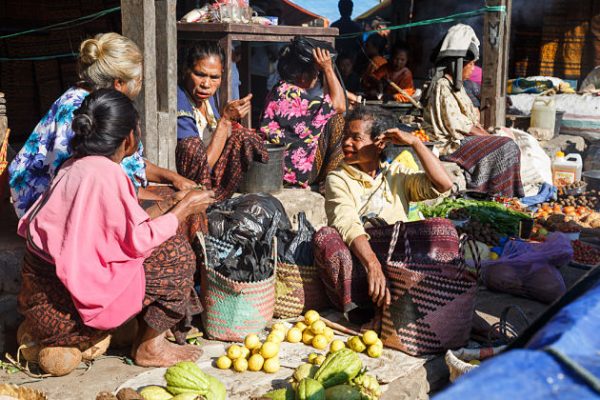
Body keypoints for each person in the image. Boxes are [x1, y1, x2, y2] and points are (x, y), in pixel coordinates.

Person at [17, 89, 215, 367]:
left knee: (162, 237)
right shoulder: (107, 174)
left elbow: (111, 225)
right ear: (129, 139)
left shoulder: (73, 167)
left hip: (39, 307)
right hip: (68, 319)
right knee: (176, 253)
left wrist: (172, 203)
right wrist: (183, 210)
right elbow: (137, 242)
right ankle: (149, 348)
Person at [8, 33, 196, 219]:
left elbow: (130, 162)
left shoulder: (89, 97)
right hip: (44, 209)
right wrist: (169, 204)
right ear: (119, 83)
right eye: (139, 80)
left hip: (65, 198)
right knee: (177, 216)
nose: (140, 85)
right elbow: (103, 181)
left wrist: (174, 178)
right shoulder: (86, 112)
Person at [314, 106, 452, 320]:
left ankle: (406, 305)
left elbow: (443, 184)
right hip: (364, 268)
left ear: (379, 144)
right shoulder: (338, 178)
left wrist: (416, 143)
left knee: (443, 230)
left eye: (356, 138)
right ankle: (363, 309)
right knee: (326, 238)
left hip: (401, 266)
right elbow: (347, 223)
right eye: (346, 137)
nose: (347, 143)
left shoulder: (396, 174)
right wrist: (372, 264)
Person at [176, 41, 267, 202]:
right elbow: (203, 167)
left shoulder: (207, 98)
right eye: (199, 74)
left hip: (210, 176)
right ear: (186, 70)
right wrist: (225, 121)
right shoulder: (180, 101)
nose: (206, 84)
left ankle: (219, 196)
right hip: (192, 182)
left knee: (244, 136)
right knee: (191, 146)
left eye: (214, 77)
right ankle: (203, 199)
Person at [259, 37, 346, 188]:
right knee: (338, 122)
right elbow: (340, 106)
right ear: (303, 75)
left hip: (277, 169)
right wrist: (327, 68)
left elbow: (330, 100)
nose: (316, 77)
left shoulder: (280, 90)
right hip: (293, 173)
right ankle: (329, 184)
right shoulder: (295, 97)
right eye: (315, 73)